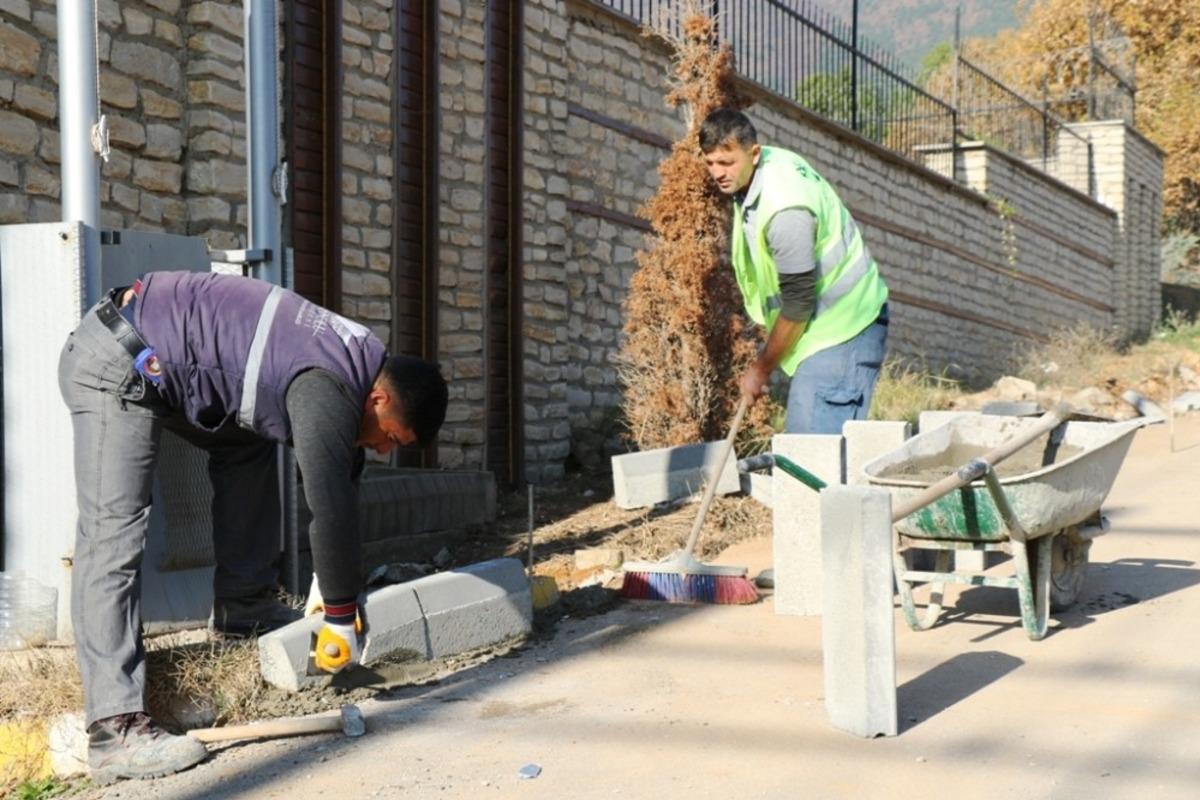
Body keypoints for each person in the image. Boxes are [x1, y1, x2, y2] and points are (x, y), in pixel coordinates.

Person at [57, 270, 448, 784]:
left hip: (154, 353)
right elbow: (328, 506)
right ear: (379, 401)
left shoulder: (359, 360)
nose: (382, 450)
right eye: (389, 437)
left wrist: (337, 594)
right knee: (114, 535)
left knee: (249, 440)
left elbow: (343, 491)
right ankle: (114, 731)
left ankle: (244, 605)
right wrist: (337, 617)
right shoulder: (327, 385)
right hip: (115, 359)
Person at [700, 108, 889, 433]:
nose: (718, 173)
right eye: (710, 162)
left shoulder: (786, 211)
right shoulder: (765, 168)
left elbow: (799, 305)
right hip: (829, 326)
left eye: (727, 163)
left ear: (754, 153)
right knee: (810, 455)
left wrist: (761, 368)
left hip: (845, 327)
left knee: (810, 456)